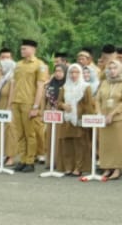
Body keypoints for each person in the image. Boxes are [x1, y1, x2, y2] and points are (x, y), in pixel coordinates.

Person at [7, 39, 48, 172]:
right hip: (17, 102)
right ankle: (23, 159)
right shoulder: (18, 65)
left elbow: (40, 86)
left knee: (30, 133)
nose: (22, 51)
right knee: (20, 133)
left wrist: (36, 106)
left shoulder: (39, 65)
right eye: (21, 48)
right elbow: (13, 84)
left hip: (29, 103)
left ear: (33, 49)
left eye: (25, 48)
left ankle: (30, 161)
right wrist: (10, 102)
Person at [57, 63, 97, 178]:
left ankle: (78, 168)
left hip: (79, 120)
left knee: (80, 145)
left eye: (76, 72)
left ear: (80, 73)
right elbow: (58, 102)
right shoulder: (64, 87)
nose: (74, 75)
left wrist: (85, 120)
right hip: (67, 120)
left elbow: (89, 105)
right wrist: (63, 105)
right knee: (67, 144)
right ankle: (68, 167)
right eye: (71, 72)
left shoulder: (85, 87)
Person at [95, 60, 122, 181]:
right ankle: (107, 167)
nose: (112, 71)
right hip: (103, 119)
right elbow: (97, 99)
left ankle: (117, 168)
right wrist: (99, 113)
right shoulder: (104, 82)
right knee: (105, 144)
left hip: (117, 119)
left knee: (117, 144)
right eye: (110, 68)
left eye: (114, 68)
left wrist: (112, 114)